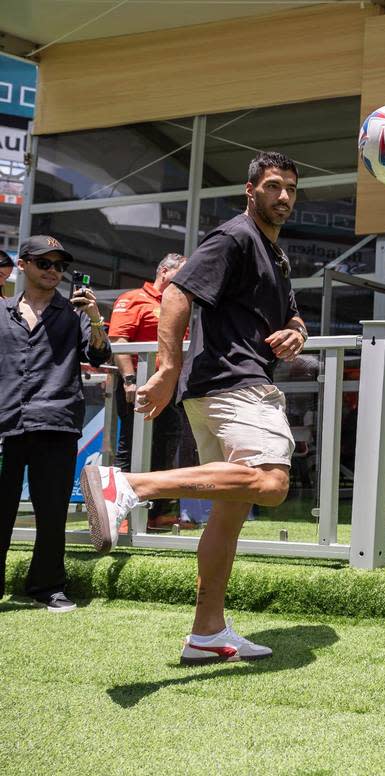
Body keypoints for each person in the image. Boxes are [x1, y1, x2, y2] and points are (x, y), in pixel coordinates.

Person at [79, 151, 309, 664]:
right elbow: (179, 292)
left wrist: (296, 334)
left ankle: (207, 632)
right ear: (251, 190)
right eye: (273, 186)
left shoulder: (276, 255)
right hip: (235, 383)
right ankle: (130, 486)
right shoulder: (235, 237)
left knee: (227, 518)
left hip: (221, 388)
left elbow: (294, 317)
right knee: (271, 484)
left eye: (291, 188)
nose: (284, 197)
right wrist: (165, 368)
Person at [1, 236, 111, 612]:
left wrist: (95, 317)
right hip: (6, 423)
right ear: (23, 265)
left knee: (51, 511)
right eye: (44, 263)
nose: (53, 271)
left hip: (56, 421)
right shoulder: (2, 311)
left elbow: (98, 354)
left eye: (59, 266)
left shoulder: (75, 314)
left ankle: (48, 587)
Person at [108, 253, 187, 529]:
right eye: (183, 272)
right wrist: (130, 379)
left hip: (171, 386)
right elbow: (119, 339)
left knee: (166, 445)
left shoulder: (180, 303)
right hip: (139, 383)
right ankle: (124, 515)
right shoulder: (133, 299)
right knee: (131, 445)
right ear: (164, 271)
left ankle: (158, 513)